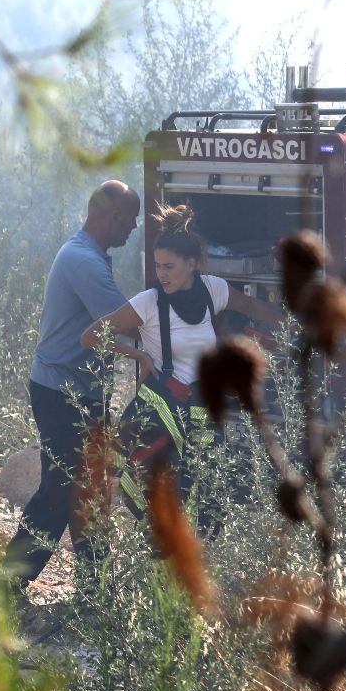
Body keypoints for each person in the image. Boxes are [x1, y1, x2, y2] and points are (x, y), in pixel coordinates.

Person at [80, 203, 280, 520]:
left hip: (203, 415)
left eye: (169, 266)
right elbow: (91, 336)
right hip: (164, 414)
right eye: (158, 266)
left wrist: (300, 324)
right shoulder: (148, 302)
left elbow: (253, 307)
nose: (161, 274)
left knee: (205, 505)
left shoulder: (213, 289)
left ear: (191, 264)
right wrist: (139, 354)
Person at [4, 179, 141, 588]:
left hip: (77, 391)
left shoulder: (86, 255)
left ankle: (94, 587)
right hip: (63, 393)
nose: (134, 227)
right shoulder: (84, 261)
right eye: (131, 218)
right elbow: (127, 321)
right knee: (60, 489)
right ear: (113, 216)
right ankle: (7, 584)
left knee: (90, 491)